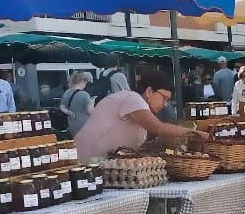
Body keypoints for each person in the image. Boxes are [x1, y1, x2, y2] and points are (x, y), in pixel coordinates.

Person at [75, 69, 206, 161]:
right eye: (164, 98)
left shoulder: (135, 105)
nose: (165, 104)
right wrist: (200, 134)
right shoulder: (133, 98)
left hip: (99, 162)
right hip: (86, 160)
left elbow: (151, 134)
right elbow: (159, 128)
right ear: (149, 91)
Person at [60, 71, 95, 137]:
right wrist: (92, 102)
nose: (85, 85)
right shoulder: (84, 94)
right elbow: (90, 111)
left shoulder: (67, 92)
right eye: (86, 83)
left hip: (72, 124)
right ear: (82, 81)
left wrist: (70, 113)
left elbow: (62, 107)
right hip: (85, 126)